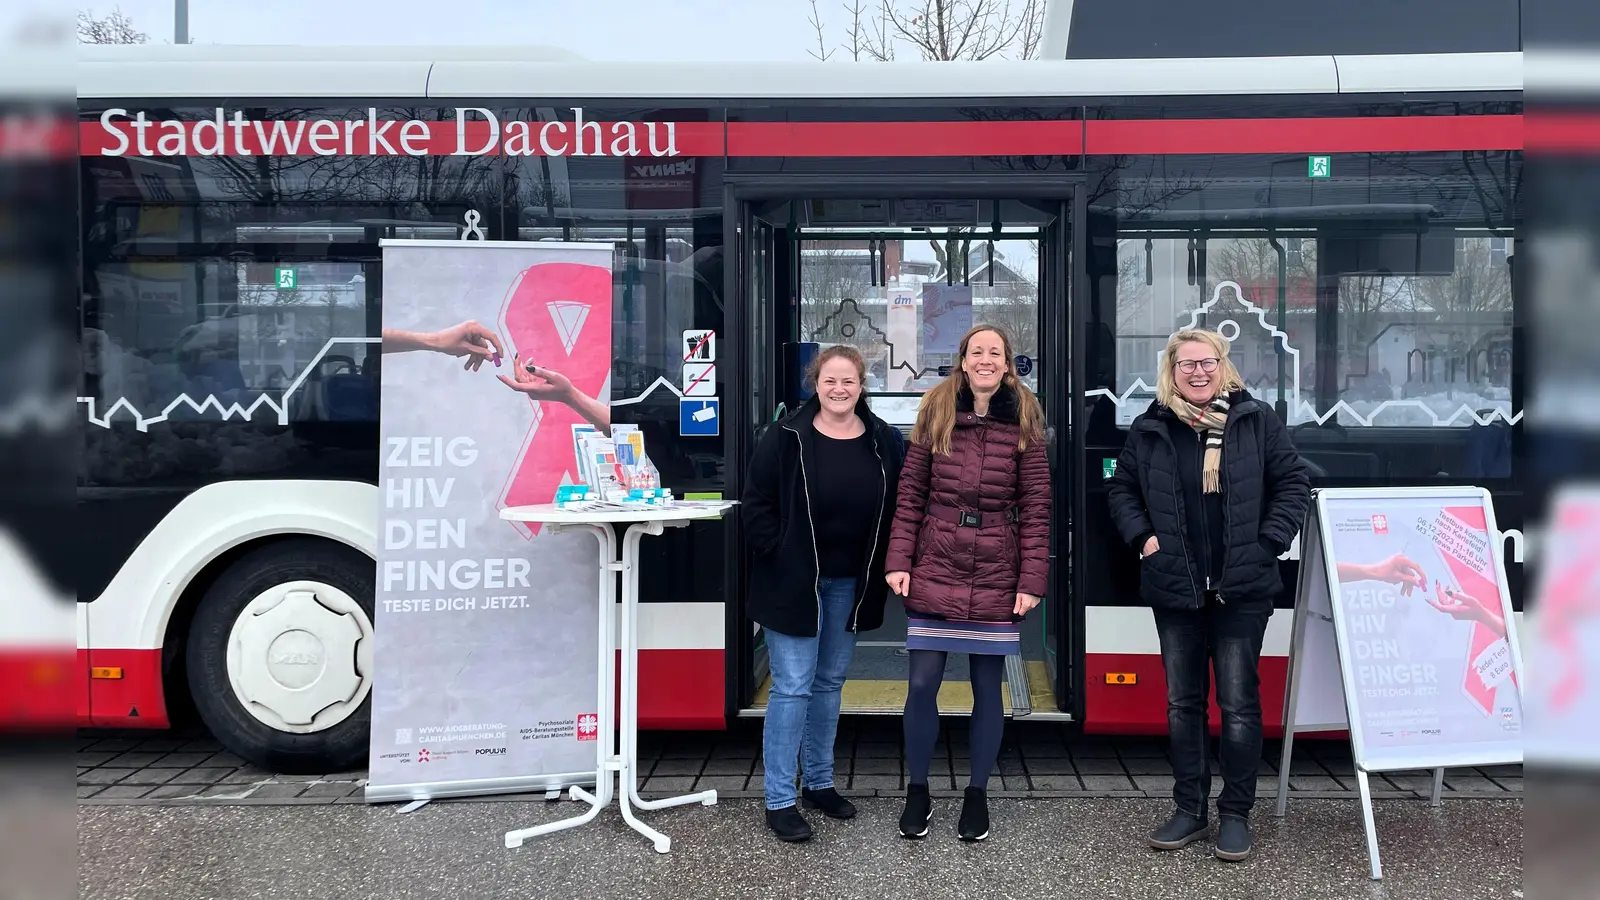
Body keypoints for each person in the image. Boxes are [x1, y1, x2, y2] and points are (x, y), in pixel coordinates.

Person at [1106, 327, 1311, 862]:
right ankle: (1190, 809)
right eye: (1186, 365)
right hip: (1175, 587)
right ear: (1170, 372)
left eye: (1207, 363)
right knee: (1182, 704)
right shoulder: (1152, 427)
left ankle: (1236, 814)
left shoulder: (1256, 420)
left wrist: (1267, 543)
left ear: (1223, 366)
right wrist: (1144, 539)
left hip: (1243, 587)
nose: (1197, 373)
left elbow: (1293, 484)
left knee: (1240, 705)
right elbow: (1122, 489)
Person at [884, 325, 1051, 843]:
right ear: (962, 358)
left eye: (994, 352)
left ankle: (976, 795)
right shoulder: (935, 409)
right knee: (921, 685)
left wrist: (1032, 579)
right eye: (975, 351)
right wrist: (898, 559)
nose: (984, 359)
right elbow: (910, 492)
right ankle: (918, 791)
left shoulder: (1025, 416)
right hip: (935, 559)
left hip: (997, 568)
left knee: (986, 689)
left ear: (1007, 363)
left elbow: (1038, 509)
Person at [741, 344, 906, 842]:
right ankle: (779, 799)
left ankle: (818, 782)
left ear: (862, 386)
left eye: (849, 381)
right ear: (816, 384)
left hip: (850, 584)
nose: (839, 389)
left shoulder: (881, 438)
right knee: (792, 684)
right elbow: (757, 505)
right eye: (830, 380)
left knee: (830, 683)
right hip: (793, 582)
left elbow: (902, 500)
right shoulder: (786, 435)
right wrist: (780, 550)